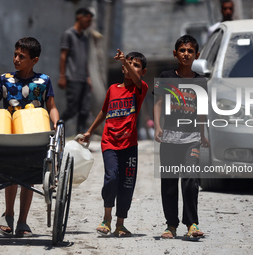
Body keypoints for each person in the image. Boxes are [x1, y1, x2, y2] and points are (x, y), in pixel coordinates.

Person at [0, 37, 60, 237]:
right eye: (15, 54)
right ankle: (8, 214)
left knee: (30, 178)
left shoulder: (43, 81)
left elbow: (51, 106)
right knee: (11, 177)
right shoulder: (5, 79)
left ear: (34, 60)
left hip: (34, 134)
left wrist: (56, 124)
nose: (16, 59)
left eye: (22, 56)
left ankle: (22, 222)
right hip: (8, 135)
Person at [81, 49, 148, 237]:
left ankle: (120, 224)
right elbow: (104, 111)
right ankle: (107, 218)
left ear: (142, 72)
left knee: (127, 184)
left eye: (136, 65)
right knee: (112, 177)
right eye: (128, 64)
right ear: (121, 68)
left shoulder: (139, 88)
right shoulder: (112, 89)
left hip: (129, 145)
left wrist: (125, 61)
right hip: (110, 142)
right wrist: (90, 131)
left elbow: (135, 79)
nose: (131, 67)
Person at [154, 35, 209, 239]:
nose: (186, 54)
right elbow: (158, 102)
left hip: (192, 138)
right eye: (182, 50)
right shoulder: (166, 76)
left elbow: (202, 110)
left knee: (190, 180)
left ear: (197, 55)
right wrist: (158, 126)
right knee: (169, 183)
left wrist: (202, 134)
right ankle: (171, 226)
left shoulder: (200, 81)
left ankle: (192, 224)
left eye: (190, 51)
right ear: (175, 53)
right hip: (169, 139)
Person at [58, 7, 94, 134]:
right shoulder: (68, 34)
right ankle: (57, 126)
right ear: (80, 17)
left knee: (84, 110)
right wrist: (62, 76)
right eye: (88, 20)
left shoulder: (84, 38)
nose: (89, 24)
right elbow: (63, 56)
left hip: (84, 79)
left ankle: (81, 138)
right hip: (72, 77)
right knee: (72, 109)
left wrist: (88, 77)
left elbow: (85, 60)